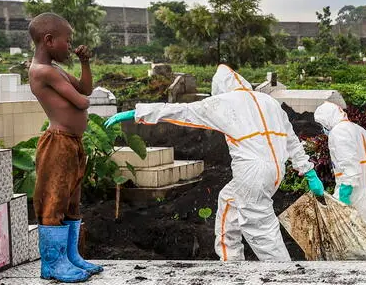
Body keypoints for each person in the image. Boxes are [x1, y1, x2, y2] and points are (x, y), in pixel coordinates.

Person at [104, 64, 324, 261]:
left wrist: (138, 113)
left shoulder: (226, 101)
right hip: (276, 168)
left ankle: (284, 275)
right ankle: (231, 260)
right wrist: (309, 173)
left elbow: (184, 111)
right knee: (228, 200)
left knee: (261, 230)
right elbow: (292, 140)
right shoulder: (269, 101)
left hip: (252, 172)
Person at [29, 12, 102, 282]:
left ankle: (71, 257)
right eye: (67, 41)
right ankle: (53, 264)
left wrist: (85, 63)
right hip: (57, 143)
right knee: (53, 201)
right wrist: (82, 98)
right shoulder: (42, 71)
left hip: (72, 143)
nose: (70, 46)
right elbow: (82, 100)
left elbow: (85, 87)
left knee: (71, 200)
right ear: (49, 40)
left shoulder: (56, 69)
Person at [313, 101, 366, 232]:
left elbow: (349, 165)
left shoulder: (339, 132)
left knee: (344, 233)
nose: (323, 128)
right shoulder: (360, 130)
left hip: (354, 193)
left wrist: (344, 195)